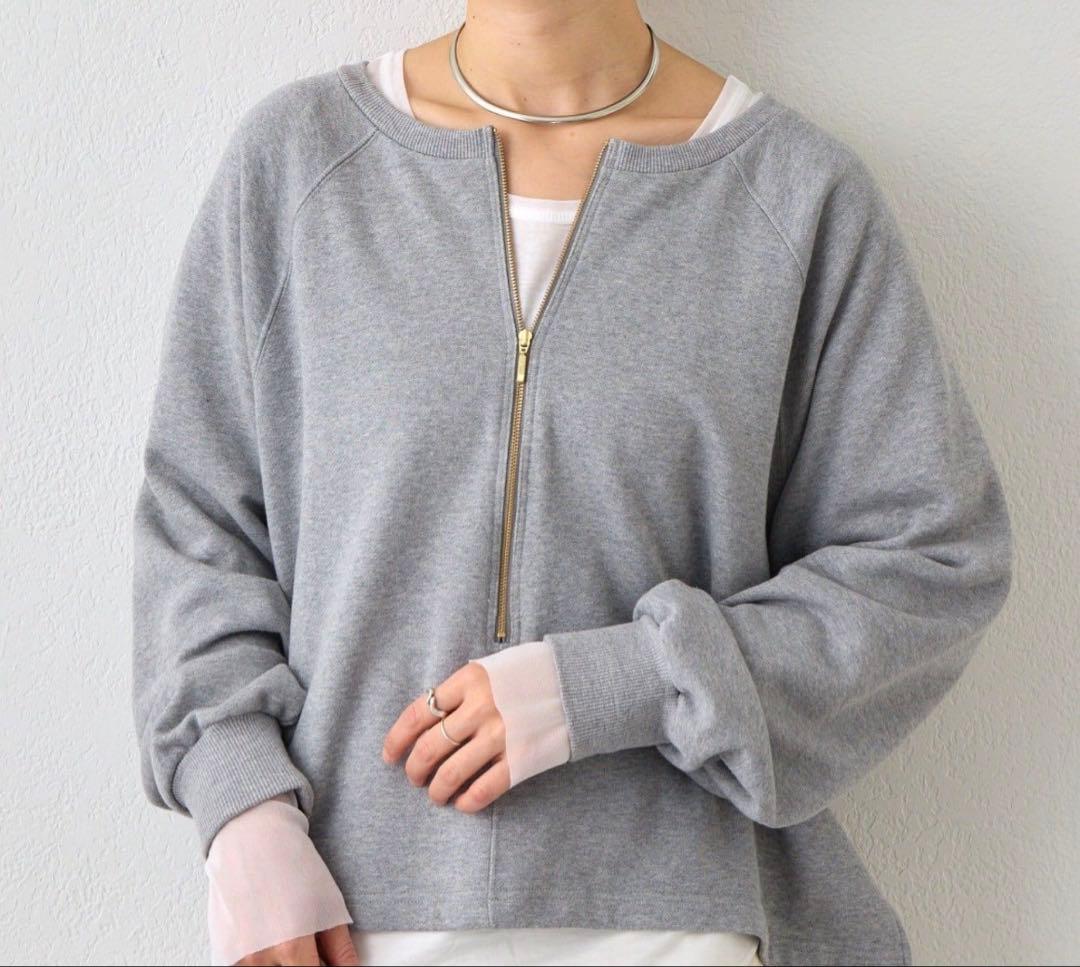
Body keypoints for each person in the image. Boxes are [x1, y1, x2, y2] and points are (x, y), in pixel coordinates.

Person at [130, 3, 1014, 966]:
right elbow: (200, 523)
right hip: (343, 917)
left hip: (680, 923)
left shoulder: (797, 196)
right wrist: (244, 811)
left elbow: (935, 557)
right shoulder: (299, 163)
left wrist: (619, 681)